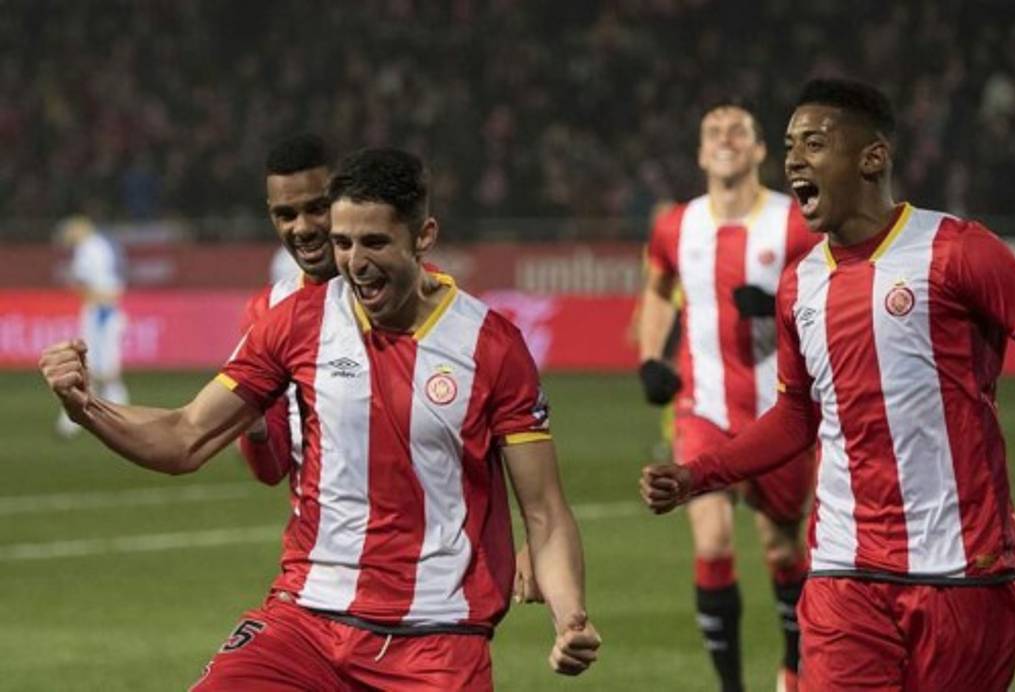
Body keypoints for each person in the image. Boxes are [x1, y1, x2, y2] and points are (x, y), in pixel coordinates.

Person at [40, 148, 600, 690]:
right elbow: (185, 437)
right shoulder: (298, 322)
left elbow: (545, 514)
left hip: (436, 643)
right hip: (304, 624)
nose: (356, 263)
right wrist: (87, 408)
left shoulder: (492, 347)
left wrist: (569, 617)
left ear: (423, 238)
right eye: (344, 242)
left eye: (375, 242)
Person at [641, 77, 1015, 690]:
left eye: (814, 142)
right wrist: (698, 473)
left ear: (872, 157)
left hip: (961, 570)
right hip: (843, 571)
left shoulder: (958, 251)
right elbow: (795, 416)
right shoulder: (800, 284)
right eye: (789, 145)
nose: (794, 160)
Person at [636, 101, 820, 692]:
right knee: (711, 538)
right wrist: (649, 359)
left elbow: (830, 289)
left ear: (761, 150)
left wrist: (777, 306)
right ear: (699, 152)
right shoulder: (676, 226)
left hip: (780, 410)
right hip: (703, 407)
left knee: (783, 547)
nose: (725, 138)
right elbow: (659, 289)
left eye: (738, 129)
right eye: (712, 130)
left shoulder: (794, 222)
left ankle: (793, 669)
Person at [236, 133, 338, 488]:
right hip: (312, 541)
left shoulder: (410, 296)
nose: (303, 228)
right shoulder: (267, 311)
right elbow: (271, 469)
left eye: (318, 208)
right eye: (286, 214)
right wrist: (256, 426)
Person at [53, 215, 128, 438]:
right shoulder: (101, 246)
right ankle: (114, 415)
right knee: (97, 366)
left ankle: (106, 416)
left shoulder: (88, 249)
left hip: (100, 312)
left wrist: (99, 298)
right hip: (102, 310)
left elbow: (88, 284)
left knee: (96, 366)